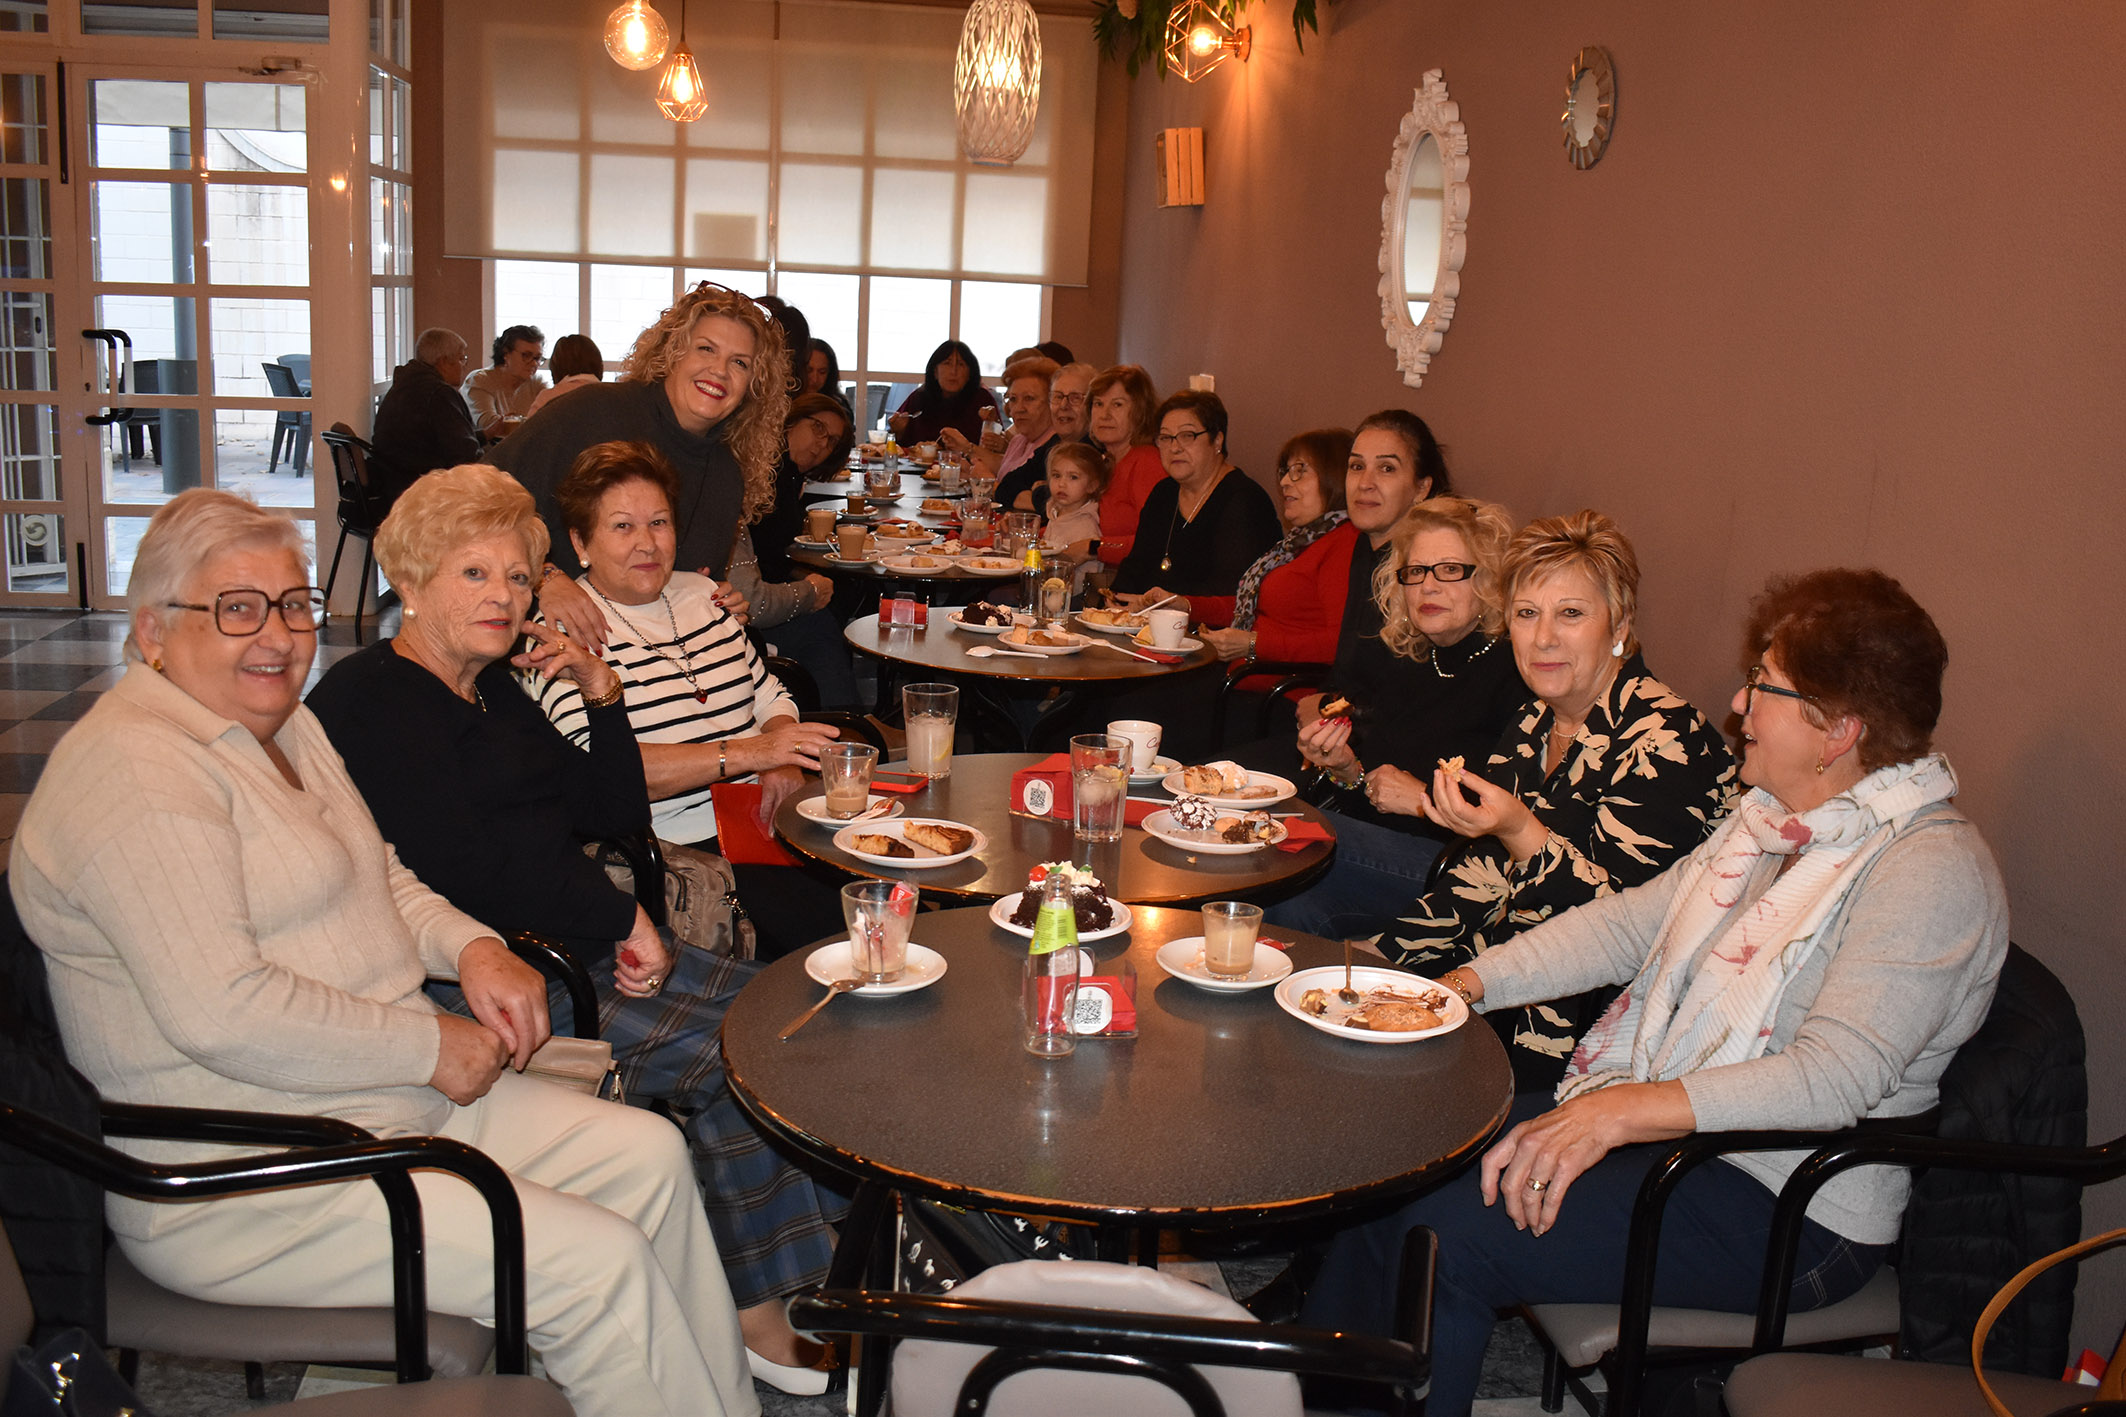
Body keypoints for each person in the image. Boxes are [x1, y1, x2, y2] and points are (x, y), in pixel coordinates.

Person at [11, 489, 755, 1417]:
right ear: (153, 630)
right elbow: (223, 1011)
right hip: (253, 1174)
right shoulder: (137, 772)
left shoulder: (279, 725)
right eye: (237, 608)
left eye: (293, 604)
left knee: (649, 1156)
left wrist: (471, 945)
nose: (276, 635)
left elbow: (384, 871)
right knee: (593, 1266)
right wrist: (429, 1044)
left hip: (374, 1102)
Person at [1302, 568, 2007, 1417]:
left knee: (1445, 1238)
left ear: (1837, 727)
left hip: (1792, 1210)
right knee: (1402, 1163)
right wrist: (1461, 987)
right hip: (1692, 1144)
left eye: (1764, 685)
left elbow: (1833, 1078)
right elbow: (1626, 926)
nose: (1739, 706)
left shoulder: (1928, 869)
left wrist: (1617, 1112)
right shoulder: (1767, 822)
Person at [305, 465, 844, 1395]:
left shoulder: (490, 686)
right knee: (740, 1053)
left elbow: (606, 807)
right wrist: (619, 914)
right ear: (412, 579)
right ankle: (759, 1305)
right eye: (475, 573)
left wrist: (603, 694)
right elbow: (467, 870)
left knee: (789, 1009)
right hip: (486, 979)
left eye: (518, 577)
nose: (505, 596)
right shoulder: (374, 701)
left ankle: (813, 1249)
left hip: (568, 940)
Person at [1372, 510, 1738, 1093]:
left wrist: (1519, 829)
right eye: (1526, 614)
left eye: (1570, 614)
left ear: (1619, 625)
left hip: (1579, 1038)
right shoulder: (1533, 722)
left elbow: (1614, 936)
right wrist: (1381, 962)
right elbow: (1476, 880)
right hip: (1488, 982)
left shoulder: (1665, 739)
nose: (1543, 638)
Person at [537, 443, 846, 956]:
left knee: (888, 896)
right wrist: (752, 754)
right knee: (841, 940)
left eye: (659, 523)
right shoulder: (565, 631)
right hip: (678, 855)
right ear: (579, 541)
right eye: (622, 526)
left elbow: (770, 695)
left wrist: (781, 759)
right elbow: (606, 774)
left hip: (764, 821)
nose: (646, 543)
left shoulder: (705, 597)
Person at [1264, 496, 1528, 937]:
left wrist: (1424, 801)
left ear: (1489, 580)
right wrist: (1345, 768)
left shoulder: (1516, 673)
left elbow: (1512, 828)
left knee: (1279, 828)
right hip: (1373, 855)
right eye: (1416, 571)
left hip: (1459, 871)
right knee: (1286, 905)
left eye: (1449, 569)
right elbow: (1370, 796)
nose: (1428, 587)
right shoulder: (1407, 660)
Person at [489, 282, 788, 654]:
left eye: (739, 362)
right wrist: (543, 576)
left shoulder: (726, 474)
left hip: (649, 662)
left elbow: (681, 585)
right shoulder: (593, 412)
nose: (720, 370)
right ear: (673, 352)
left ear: (754, 385)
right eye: (706, 349)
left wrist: (716, 599)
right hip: (545, 650)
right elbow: (474, 499)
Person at [1194, 428, 1357, 663]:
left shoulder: (1343, 543)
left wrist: (1253, 644)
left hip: (1279, 683)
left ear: (1334, 477)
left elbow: (1339, 644)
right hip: (1247, 674)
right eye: (1286, 472)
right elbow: (1248, 607)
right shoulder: (1299, 542)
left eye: (1300, 471)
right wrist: (1183, 605)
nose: (1284, 482)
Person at [1111, 389, 1280, 600]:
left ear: (1217, 440)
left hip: (1209, 620)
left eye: (1187, 436)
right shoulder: (1164, 492)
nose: (1174, 448)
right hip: (1148, 617)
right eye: (1166, 438)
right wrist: (1113, 602)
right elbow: (1136, 566)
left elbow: (1231, 593)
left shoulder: (1244, 501)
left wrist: (1156, 605)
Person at [370, 326, 479, 503]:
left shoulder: (403, 385)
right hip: (425, 490)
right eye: (461, 359)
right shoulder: (438, 393)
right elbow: (466, 455)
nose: (464, 366)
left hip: (394, 483)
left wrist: (485, 434)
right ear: (444, 362)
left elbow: (433, 439)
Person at [1086, 364, 1165, 568]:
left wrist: (1094, 547)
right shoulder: (1105, 461)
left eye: (1117, 405)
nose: (1104, 414)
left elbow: (1155, 543)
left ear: (1140, 412)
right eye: (1098, 404)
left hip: (1133, 580)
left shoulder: (1147, 462)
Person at [888, 340, 996, 448]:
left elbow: (996, 448)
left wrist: (992, 424)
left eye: (961, 364)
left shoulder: (982, 399)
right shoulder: (919, 398)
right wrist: (897, 432)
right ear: (935, 371)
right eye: (947, 363)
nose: (953, 371)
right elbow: (896, 448)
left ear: (969, 374)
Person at [989, 355, 1060, 513]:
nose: (1018, 408)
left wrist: (988, 483)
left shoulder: (1057, 447)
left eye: (1029, 398)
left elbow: (1046, 505)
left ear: (1052, 401)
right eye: (1013, 399)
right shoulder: (1018, 440)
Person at [463, 324, 547, 436]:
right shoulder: (479, 380)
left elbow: (550, 418)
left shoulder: (536, 382)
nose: (534, 363)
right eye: (526, 355)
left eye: (537, 358)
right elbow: (489, 425)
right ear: (505, 354)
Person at [1038, 441, 1105, 565]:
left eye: (1073, 477)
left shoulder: (1086, 525)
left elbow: (1089, 571)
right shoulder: (1054, 513)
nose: (1061, 484)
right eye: (1056, 475)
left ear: (1091, 486)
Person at [524, 333, 603, 417]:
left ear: (556, 366)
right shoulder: (610, 396)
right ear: (598, 363)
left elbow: (530, 425)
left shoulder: (547, 399)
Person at [1049, 361, 1095, 444]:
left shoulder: (1099, 451)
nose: (1063, 405)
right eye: (1058, 397)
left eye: (1076, 398)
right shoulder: (1045, 448)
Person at [803, 337, 844, 403]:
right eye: (808, 371)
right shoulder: (786, 403)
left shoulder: (837, 404)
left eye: (822, 372)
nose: (815, 379)